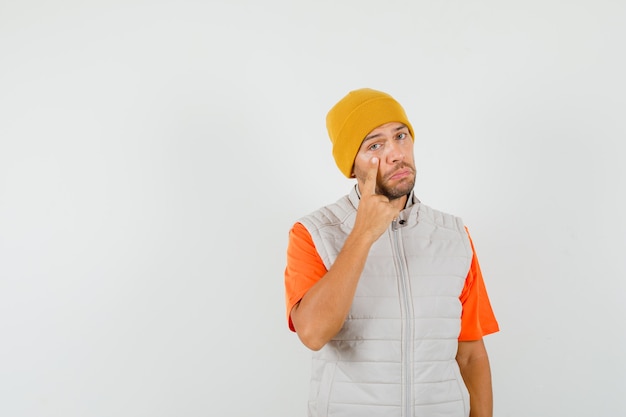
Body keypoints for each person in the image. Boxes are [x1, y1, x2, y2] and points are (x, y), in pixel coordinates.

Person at [284, 88, 499, 417]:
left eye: (401, 136)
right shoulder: (314, 233)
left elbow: (470, 353)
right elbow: (312, 333)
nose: (397, 153)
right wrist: (363, 233)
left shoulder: (453, 236)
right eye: (375, 145)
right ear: (352, 166)